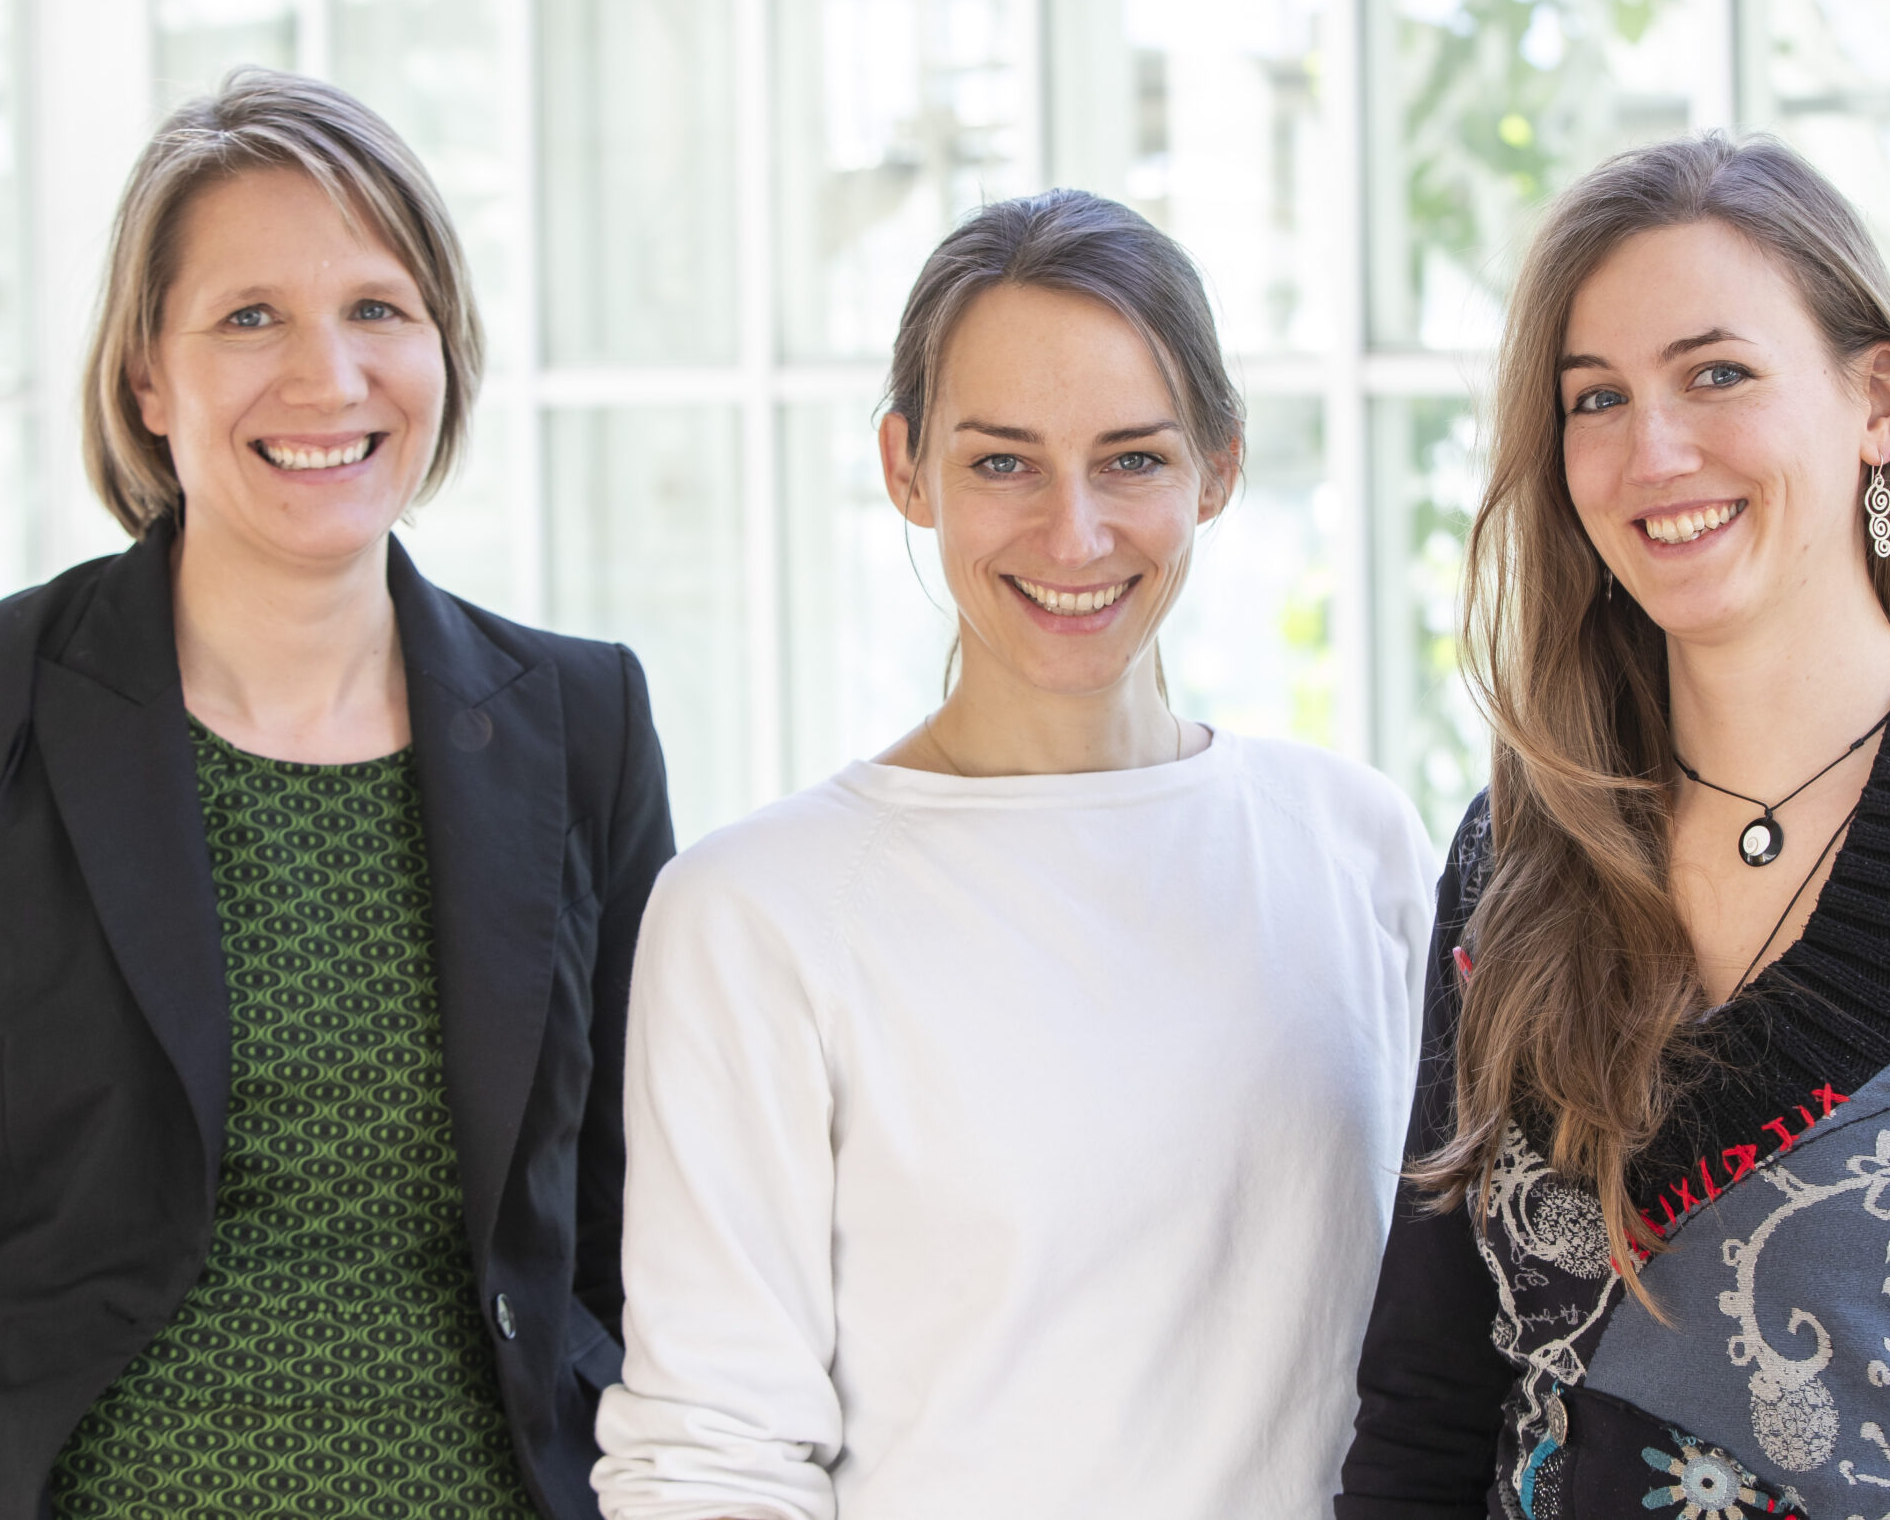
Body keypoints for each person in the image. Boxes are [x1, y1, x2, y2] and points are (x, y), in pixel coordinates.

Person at [0, 69, 676, 1519]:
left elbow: (630, 1252)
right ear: (147, 378)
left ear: (446, 350)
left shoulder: (586, 722)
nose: (327, 378)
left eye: (379, 308)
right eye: (251, 317)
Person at [1333, 134, 1890, 1520]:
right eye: (1596, 398)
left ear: (1877, 401)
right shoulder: (1524, 847)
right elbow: (1423, 1414)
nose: (1653, 451)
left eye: (1718, 374)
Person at [590, 189, 1436, 1519]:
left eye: (1133, 459)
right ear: (904, 468)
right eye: (1002, 463)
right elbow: (712, 1457)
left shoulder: (1355, 843)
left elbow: (1432, 1365)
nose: (1074, 534)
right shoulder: (755, 915)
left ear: (1220, 466)